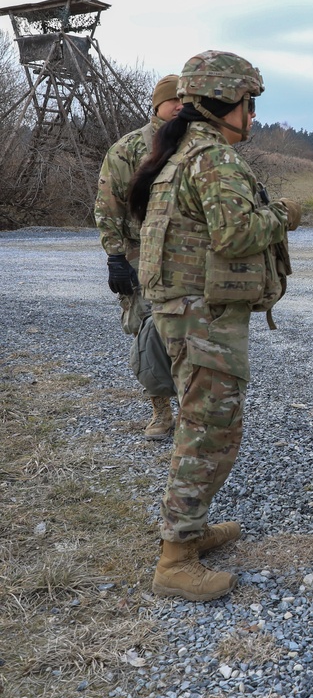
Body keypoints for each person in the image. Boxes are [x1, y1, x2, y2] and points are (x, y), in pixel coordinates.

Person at [127, 50, 301, 602]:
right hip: (202, 317)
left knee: (206, 426)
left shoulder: (180, 152)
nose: (252, 116)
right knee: (208, 432)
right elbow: (237, 236)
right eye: (249, 103)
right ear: (227, 103)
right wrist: (283, 215)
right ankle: (175, 558)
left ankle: (191, 531)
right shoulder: (212, 159)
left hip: (187, 313)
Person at [95, 74, 183, 440]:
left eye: (185, 100)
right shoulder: (129, 148)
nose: (180, 106)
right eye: (172, 100)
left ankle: (195, 413)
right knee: (149, 335)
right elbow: (108, 204)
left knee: (191, 333)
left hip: (189, 256)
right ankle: (161, 413)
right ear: (156, 105)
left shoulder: (199, 145)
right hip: (141, 255)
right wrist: (116, 257)